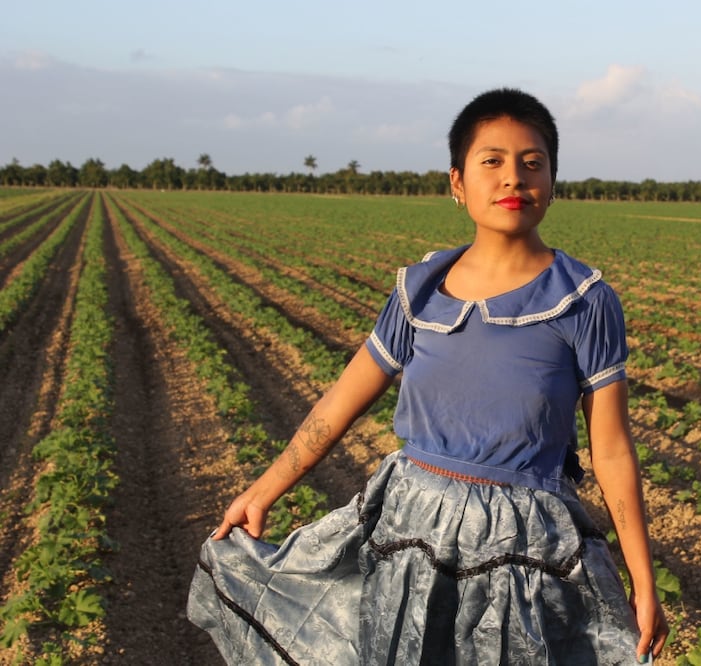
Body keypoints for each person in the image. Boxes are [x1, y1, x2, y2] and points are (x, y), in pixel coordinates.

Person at [188, 87, 668, 665]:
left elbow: (611, 449)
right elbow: (342, 401)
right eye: (491, 162)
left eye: (532, 163)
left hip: (523, 545)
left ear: (553, 183)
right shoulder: (419, 291)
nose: (513, 178)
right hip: (412, 528)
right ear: (458, 184)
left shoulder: (583, 301)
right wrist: (263, 491)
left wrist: (642, 580)